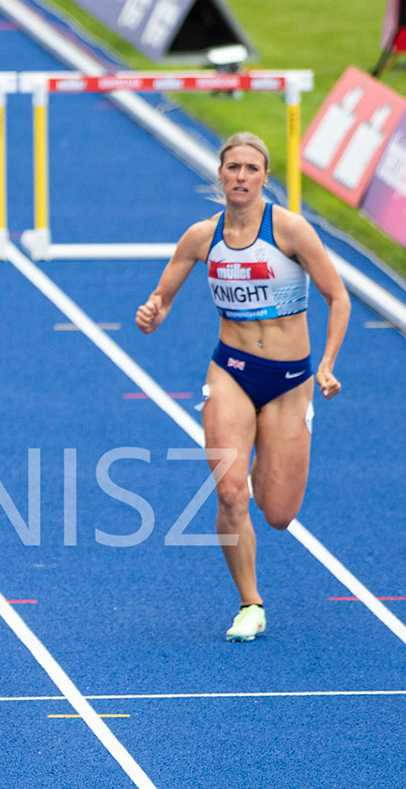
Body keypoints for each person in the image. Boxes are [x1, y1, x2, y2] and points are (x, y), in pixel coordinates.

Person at [136, 132, 347, 642]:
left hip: (290, 381)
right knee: (231, 492)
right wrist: (152, 313)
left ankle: (266, 449)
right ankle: (250, 603)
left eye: (252, 169)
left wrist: (327, 364)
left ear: (265, 178)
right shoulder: (200, 237)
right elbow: (162, 296)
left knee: (277, 513)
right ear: (220, 174)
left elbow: (337, 297)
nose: (241, 177)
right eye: (233, 167)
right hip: (230, 370)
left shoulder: (291, 231)